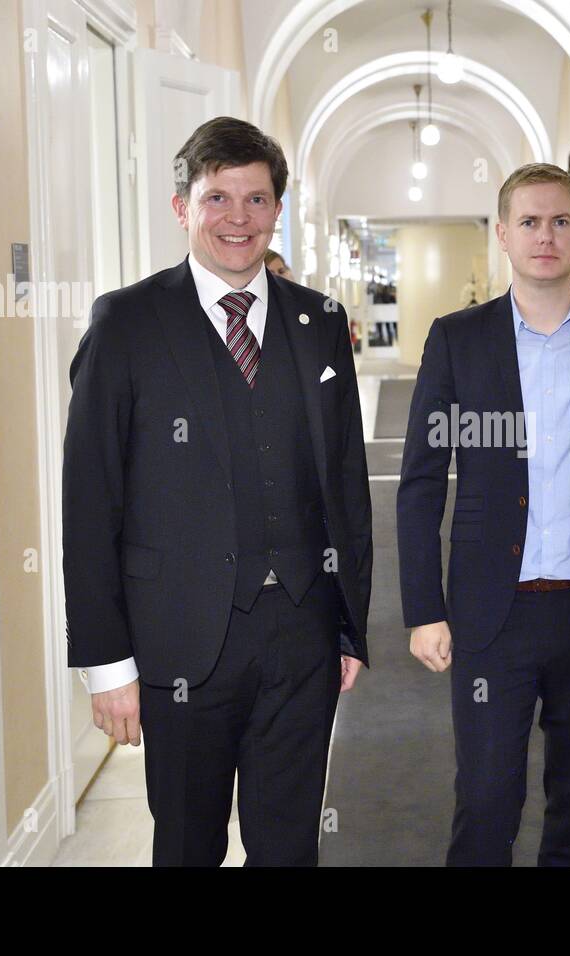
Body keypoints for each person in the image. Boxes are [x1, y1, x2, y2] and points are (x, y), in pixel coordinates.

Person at [62, 116, 372, 866]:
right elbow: (88, 499)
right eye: (217, 199)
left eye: (257, 200)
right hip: (181, 641)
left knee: (289, 845)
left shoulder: (319, 322)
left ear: (277, 211)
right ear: (182, 208)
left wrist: (346, 622)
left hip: (301, 632)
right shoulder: (128, 322)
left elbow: (344, 480)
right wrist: (107, 667)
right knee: (188, 845)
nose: (238, 218)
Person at [398, 163, 570, 866]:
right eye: (531, 222)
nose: (547, 235)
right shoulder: (458, 338)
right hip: (491, 615)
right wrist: (424, 607)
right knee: (485, 803)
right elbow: (421, 482)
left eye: (561, 221)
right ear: (504, 236)